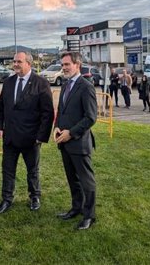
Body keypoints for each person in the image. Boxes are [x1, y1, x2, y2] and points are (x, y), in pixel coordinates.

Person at [0, 52, 54, 214]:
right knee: (7, 170)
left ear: (29, 63)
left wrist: (41, 136)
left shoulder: (41, 83)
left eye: (18, 61)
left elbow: (47, 113)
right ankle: (6, 199)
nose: (15, 64)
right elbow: (0, 108)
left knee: (32, 170)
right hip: (10, 136)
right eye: (14, 61)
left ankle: (34, 196)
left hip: (31, 138)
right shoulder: (8, 82)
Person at [53, 51, 98, 230]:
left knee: (87, 181)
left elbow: (90, 117)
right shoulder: (65, 85)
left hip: (78, 142)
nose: (63, 68)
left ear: (77, 65)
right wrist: (56, 126)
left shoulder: (86, 86)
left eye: (67, 65)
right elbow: (61, 110)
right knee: (73, 179)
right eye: (62, 65)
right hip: (64, 143)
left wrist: (71, 133)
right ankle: (76, 208)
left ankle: (89, 215)